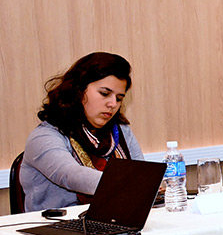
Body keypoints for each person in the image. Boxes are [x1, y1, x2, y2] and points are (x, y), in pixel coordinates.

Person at [21, 52, 145, 212]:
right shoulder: (45, 136)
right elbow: (71, 175)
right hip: (56, 230)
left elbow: (142, 174)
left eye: (119, 98)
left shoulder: (120, 132)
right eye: (105, 94)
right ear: (78, 90)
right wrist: (131, 186)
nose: (113, 104)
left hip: (113, 222)